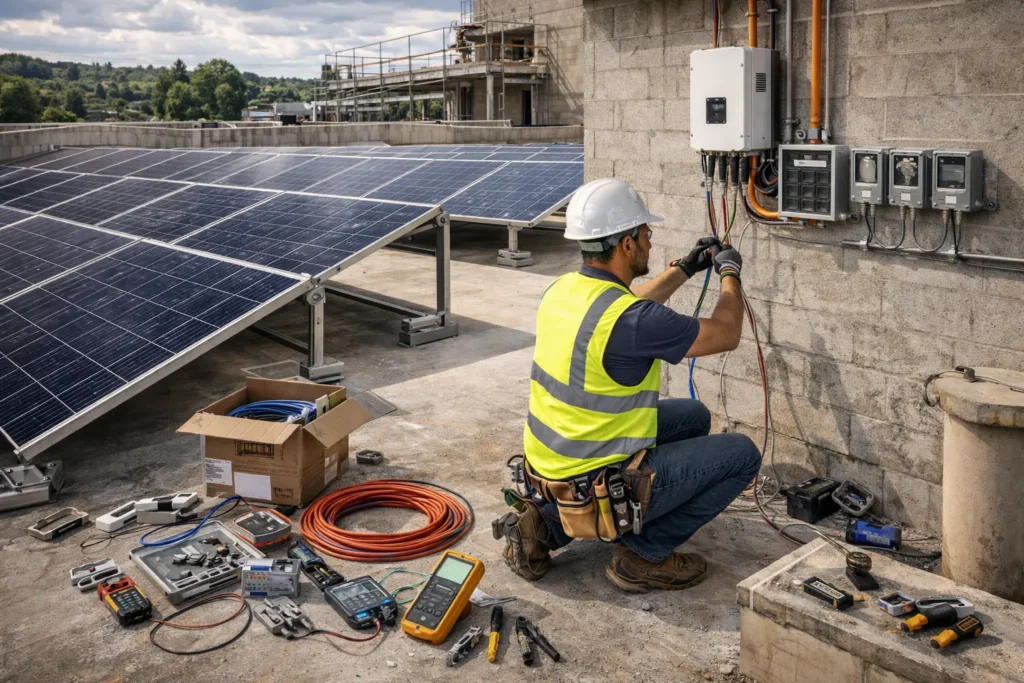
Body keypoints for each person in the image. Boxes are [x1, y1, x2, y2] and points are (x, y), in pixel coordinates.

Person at [501, 178, 762, 593]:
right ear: (626, 244)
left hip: (551, 464)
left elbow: (630, 302)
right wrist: (730, 273)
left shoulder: (563, 289)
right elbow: (725, 332)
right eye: (645, 234)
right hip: (596, 477)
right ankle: (642, 555)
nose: (650, 242)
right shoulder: (633, 319)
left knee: (694, 417)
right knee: (743, 455)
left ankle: (546, 523)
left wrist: (685, 268)